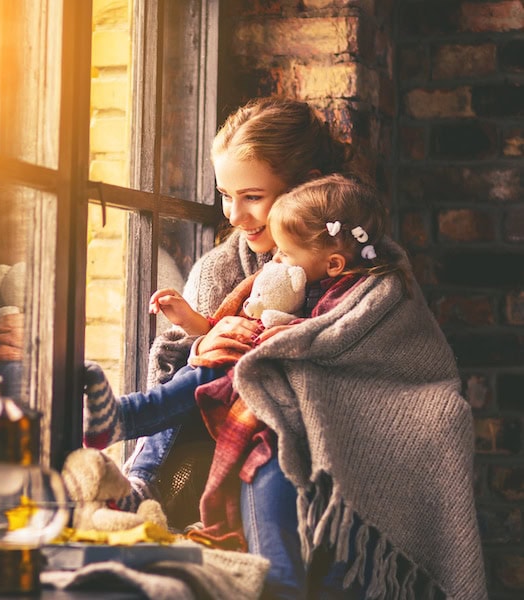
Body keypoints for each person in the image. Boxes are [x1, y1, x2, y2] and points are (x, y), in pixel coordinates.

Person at [85, 174, 411, 597]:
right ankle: (132, 439)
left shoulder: (361, 289)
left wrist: (271, 342)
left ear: (332, 263)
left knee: (254, 433)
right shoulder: (261, 267)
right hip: (258, 403)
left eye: (284, 257)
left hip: (297, 409)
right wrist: (199, 331)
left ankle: (128, 417)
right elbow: (241, 334)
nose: (274, 264)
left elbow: (337, 340)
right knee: (214, 363)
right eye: (224, 195)